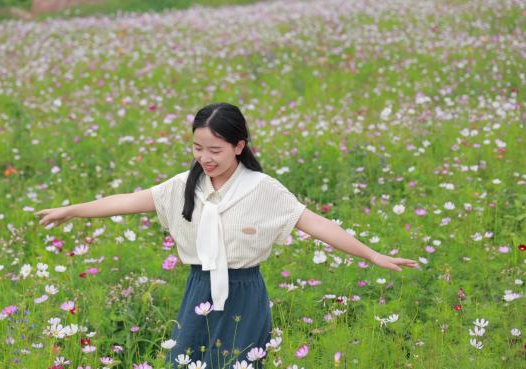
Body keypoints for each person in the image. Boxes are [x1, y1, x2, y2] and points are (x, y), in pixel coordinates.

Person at [34, 102, 419, 369]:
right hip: (198, 288)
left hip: (245, 290)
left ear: (239, 146)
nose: (206, 157)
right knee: (185, 361)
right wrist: (72, 210)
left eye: (215, 149)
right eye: (198, 148)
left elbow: (317, 224)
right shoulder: (185, 185)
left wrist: (372, 255)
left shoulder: (262, 189)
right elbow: (128, 200)